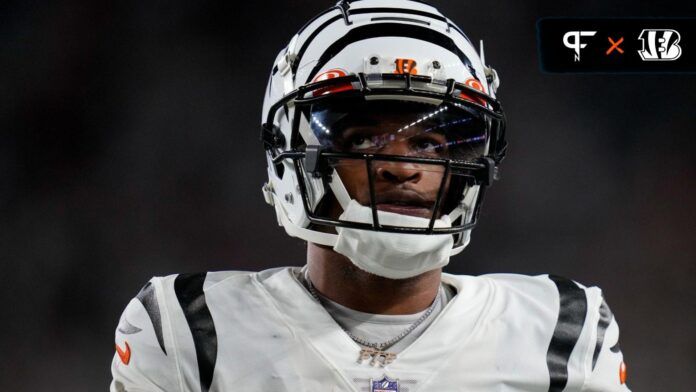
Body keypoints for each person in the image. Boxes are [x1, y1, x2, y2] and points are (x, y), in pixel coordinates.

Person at [110, 1, 630, 391]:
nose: (404, 166)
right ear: (294, 156)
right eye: (361, 138)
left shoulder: (562, 332)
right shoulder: (191, 331)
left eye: (429, 142)